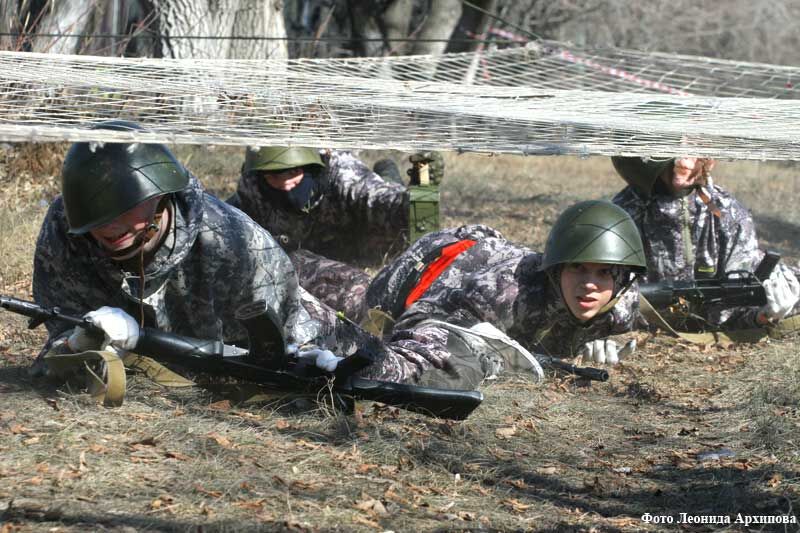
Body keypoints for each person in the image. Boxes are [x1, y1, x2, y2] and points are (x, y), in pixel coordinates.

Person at [28, 121, 498, 405]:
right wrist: (84, 343)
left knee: (377, 371)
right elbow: (61, 332)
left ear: (160, 200)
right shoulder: (67, 228)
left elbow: (278, 349)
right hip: (200, 331)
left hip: (293, 323)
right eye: (97, 224)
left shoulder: (234, 243)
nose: (110, 233)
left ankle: (468, 346)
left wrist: (308, 371)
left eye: (125, 220)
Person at [365, 200, 647, 367]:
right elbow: (409, 321)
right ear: (555, 270)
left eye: (603, 273)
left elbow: (636, 327)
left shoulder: (622, 301)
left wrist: (605, 341)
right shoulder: (505, 295)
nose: (590, 284)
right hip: (419, 270)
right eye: (578, 268)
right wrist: (473, 339)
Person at [227, 147, 443, 321]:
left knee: (393, 223)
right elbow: (229, 220)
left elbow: (389, 204)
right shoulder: (253, 186)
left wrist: (423, 191)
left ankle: (388, 175)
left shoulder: (343, 174)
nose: (284, 184)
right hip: (312, 249)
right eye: (274, 175)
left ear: (313, 167)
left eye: (293, 172)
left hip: (361, 235)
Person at [611, 156, 800, 331]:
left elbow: (739, 314)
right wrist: (600, 329)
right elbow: (598, 295)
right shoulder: (619, 217)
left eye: (695, 148)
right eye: (675, 150)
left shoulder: (729, 215)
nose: (685, 162)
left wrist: (766, 315)